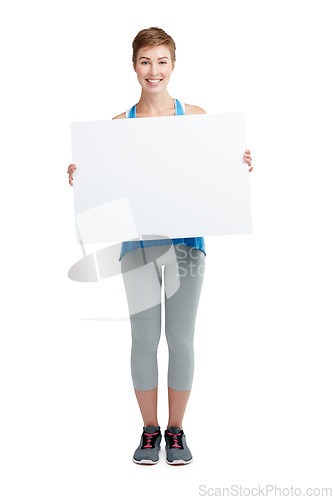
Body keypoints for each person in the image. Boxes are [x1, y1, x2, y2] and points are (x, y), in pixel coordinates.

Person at [67, 26, 253, 466]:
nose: (154, 70)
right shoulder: (117, 127)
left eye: (162, 61)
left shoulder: (196, 116)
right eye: (146, 61)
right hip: (138, 247)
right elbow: (106, 191)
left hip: (188, 243)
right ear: (134, 66)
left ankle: (177, 430)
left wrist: (238, 164)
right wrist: (84, 177)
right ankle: (150, 431)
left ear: (173, 65)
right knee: (144, 338)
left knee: (181, 338)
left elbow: (216, 176)